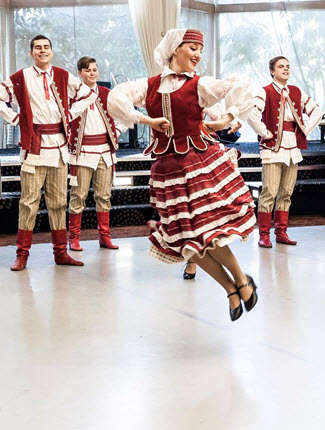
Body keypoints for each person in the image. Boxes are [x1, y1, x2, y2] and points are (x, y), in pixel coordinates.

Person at [108, 29, 257, 322]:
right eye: (192, 47)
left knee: (208, 232)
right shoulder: (148, 85)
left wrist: (226, 119)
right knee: (187, 240)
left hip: (198, 163)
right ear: (176, 49)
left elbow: (241, 85)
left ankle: (242, 280)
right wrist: (146, 119)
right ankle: (230, 288)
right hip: (168, 170)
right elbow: (116, 98)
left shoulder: (200, 85)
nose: (198, 54)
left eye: (200, 49)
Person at [0, 35, 96, 271]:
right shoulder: (21, 77)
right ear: (32, 53)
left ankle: (61, 253)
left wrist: (69, 115)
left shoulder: (63, 75)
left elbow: (88, 94)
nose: (42, 51)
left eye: (46, 47)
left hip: (60, 149)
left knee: (57, 202)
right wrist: (14, 118)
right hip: (33, 149)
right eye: (37, 48)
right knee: (28, 203)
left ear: (52, 52)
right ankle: (22, 254)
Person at [247, 56, 322, 248]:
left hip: (292, 147)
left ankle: (281, 232)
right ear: (272, 71)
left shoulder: (296, 91)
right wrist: (265, 133)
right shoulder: (265, 91)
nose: (286, 69)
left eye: (288, 66)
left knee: (287, 192)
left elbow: (317, 111)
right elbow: (252, 114)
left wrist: (304, 129)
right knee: (269, 192)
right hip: (272, 148)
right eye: (281, 66)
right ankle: (264, 234)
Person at [68, 56, 127, 251]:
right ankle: (74, 238)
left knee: (104, 196)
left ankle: (105, 236)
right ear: (80, 73)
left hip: (105, 153)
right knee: (78, 197)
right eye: (88, 70)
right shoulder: (73, 96)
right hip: (83, 153)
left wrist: (116, 133)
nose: (92, 73)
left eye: (94, 69)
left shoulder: (106, 93)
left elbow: (125, 116)